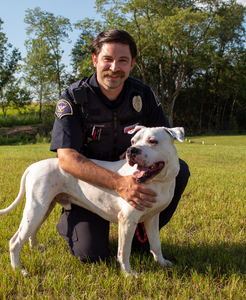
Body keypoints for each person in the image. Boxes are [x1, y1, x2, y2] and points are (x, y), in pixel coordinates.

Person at [50, 29, 190, 262]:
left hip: (134, 175)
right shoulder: (73, 98)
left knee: (179, 170)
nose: (114, 67)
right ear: (95, 60)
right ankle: (71, 221)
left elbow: (163, 143)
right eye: (108, 59)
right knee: (91, 254)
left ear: (132, 63)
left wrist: (131, 181)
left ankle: (140, 232)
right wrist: (119, 184)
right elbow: (66, 158)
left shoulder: (143, 95)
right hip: (90, 188)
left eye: (123, 60)